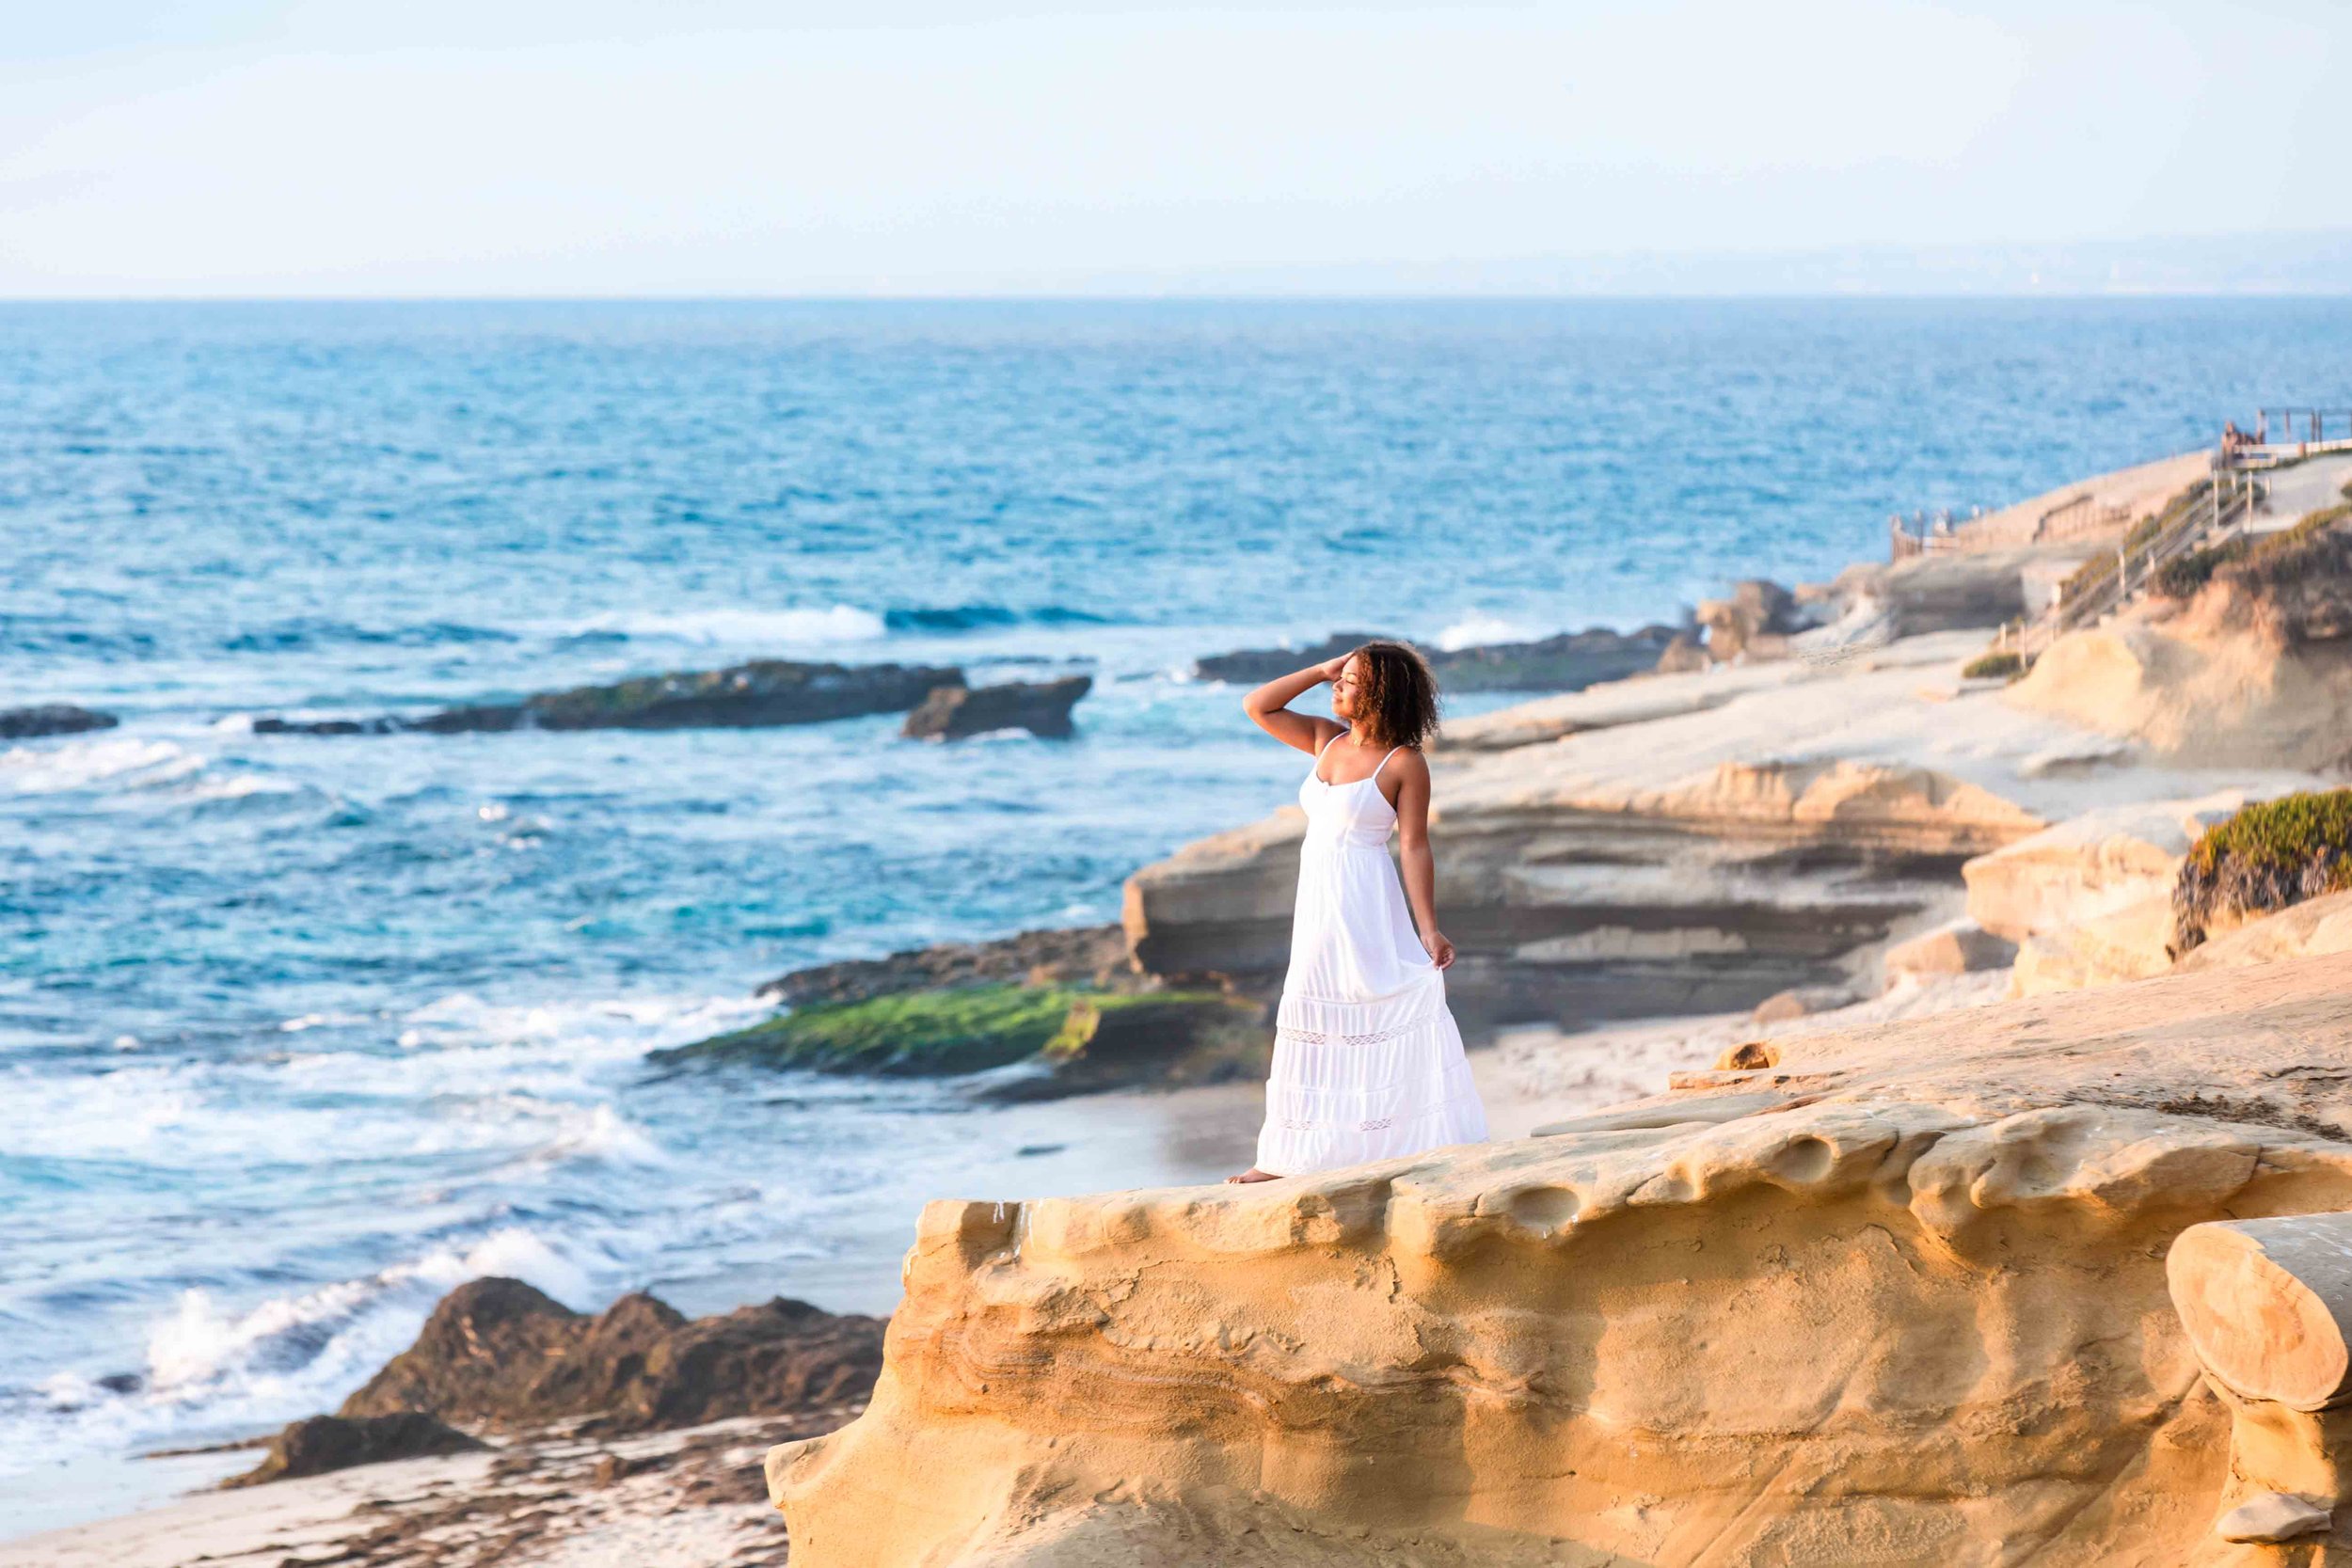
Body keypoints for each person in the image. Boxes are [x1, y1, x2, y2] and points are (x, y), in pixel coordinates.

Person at [1225, 641, 1489, 1182]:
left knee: (1372, 1006)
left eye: (1349, 681)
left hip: (1366, 901)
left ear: (1381, 693)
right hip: (1318, 901)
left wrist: (1429, 928)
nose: (1335, 688)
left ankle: (1388, 1143)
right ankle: (1283, 1157)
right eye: (1338, 679)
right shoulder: (1326, 740)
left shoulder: (1404, 764)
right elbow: (1258, 705)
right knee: (1308, 1008)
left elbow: (1415, 846)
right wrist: (1324, 666)